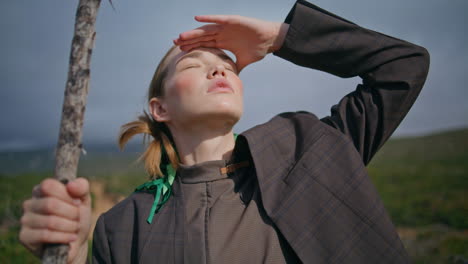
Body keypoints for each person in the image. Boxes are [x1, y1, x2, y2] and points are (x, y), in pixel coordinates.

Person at [19, 0, 430, 263]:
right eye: (192, 64)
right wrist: (67, 259)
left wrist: (281, 38)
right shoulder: (119, 228)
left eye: (226, 63)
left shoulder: (310, 150)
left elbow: (403, 67)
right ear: (160, 109)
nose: (219, 67)